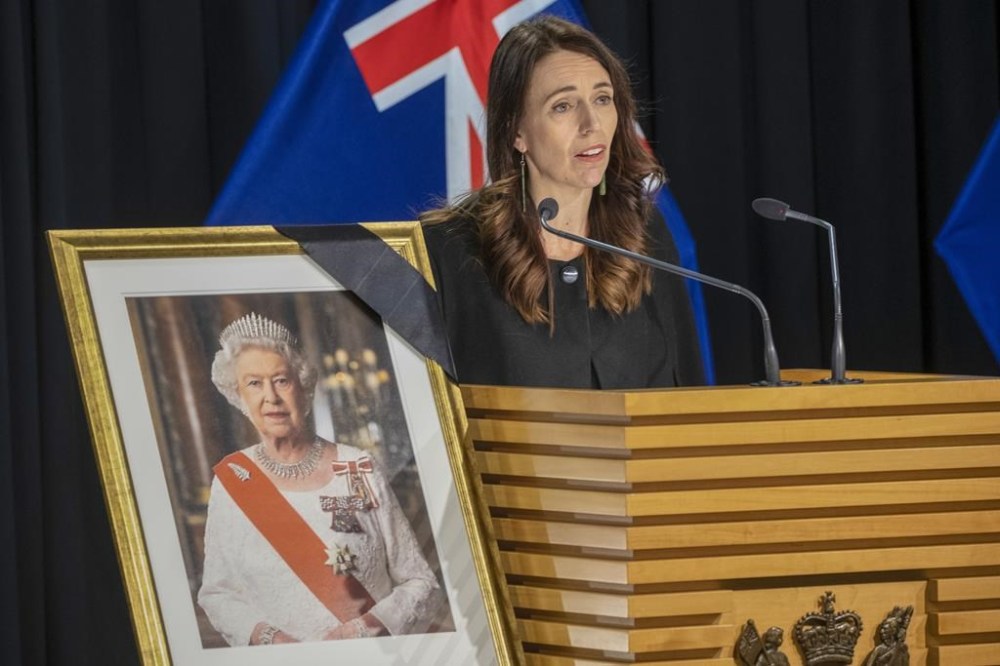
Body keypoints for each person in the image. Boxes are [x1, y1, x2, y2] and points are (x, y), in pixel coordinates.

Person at [421, 15, 704, 389]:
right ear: (516, 131)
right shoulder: (448, 248)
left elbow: (690, 398)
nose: (592, 124)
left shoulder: (644, 234)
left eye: (603, 99)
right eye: (563, 106)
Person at [198, 312, 445, 646]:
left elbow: (419, 582)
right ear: (239, 396)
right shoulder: (233, 480)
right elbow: (217, 594)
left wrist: (364, 628)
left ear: (304, 387)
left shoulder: (358, 466)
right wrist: (269, 638)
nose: (271, 396)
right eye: (254, 383)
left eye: (282, 380)